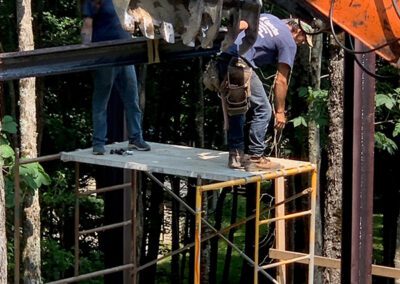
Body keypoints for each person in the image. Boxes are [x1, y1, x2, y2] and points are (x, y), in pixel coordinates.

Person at [219, 13, 313, 171]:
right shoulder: (289, 42)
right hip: (241, 62)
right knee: (263, 109)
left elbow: (242, 23)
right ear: (298, 32)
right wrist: (280, 111)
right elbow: (281, 80)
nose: (302, 43)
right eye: (303, 40)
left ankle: (236, 156)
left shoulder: (269, 17)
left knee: (238, 109)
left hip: (225, 57)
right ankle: (256, 157)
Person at [81, 0, 151, 154]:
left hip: (125, 54)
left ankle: (135, 138)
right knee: (101, 100)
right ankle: (98, 143)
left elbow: (137, 18)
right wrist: (86, 54)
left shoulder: (125, 1)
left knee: (132, 98)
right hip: (104, 55)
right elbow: (87, 26)